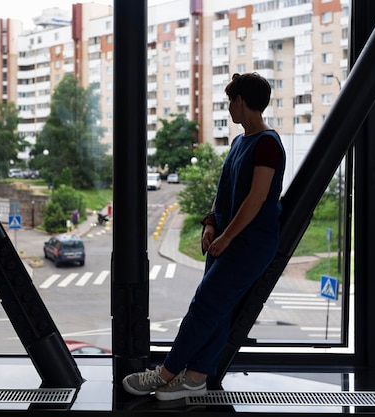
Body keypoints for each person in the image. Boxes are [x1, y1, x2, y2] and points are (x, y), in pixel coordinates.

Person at [122, 72, 286, 401]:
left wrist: (227, 238)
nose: (229, 109)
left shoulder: (267, 144)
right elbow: (223, 191)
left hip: (249, 245)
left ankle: (165, 373)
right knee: (218, 309)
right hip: (226, 239)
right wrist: (211, 224)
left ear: (242, 101)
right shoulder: (240, 142)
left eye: (230, 102)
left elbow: (256, 199)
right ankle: (195, 377)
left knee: (204, 305)